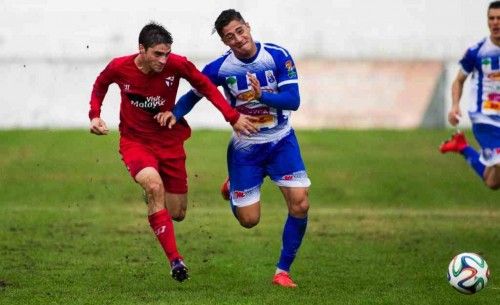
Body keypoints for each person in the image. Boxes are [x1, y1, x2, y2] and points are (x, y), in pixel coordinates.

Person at [88, 22, 257, 283]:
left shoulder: (177, 65)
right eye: (157, 54)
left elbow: (207, 88)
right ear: (141, 49)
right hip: (135, 143)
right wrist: (95, 115)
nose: (163, 59)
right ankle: (176, 261)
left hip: (169, 142)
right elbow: (101, 83)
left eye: (166, 53)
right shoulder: (119, 67)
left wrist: (232, 116)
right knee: (154, 187)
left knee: (177, 213)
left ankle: (156, 201)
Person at [164, 9, 311, 287]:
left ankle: (282, 271)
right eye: (230, 37)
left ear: (248, 27)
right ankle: (234, 186)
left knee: (301, 203)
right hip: (246, 149)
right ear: (225, 42)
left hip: (281, 141)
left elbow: (293, 100)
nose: (238, 39)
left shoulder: (278, 56)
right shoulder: (220, 68)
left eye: (240, 31)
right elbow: (195, 94)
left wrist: (262, 95)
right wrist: (175, 113)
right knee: (248, 220)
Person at [439, 1, 500, 190]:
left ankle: (462, 147)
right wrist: (455, 105)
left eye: (499, 18)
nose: (495, 22)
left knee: (493, 182)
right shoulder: (477, 51)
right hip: (484, 117)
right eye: (491, 18)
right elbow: (458, 80)